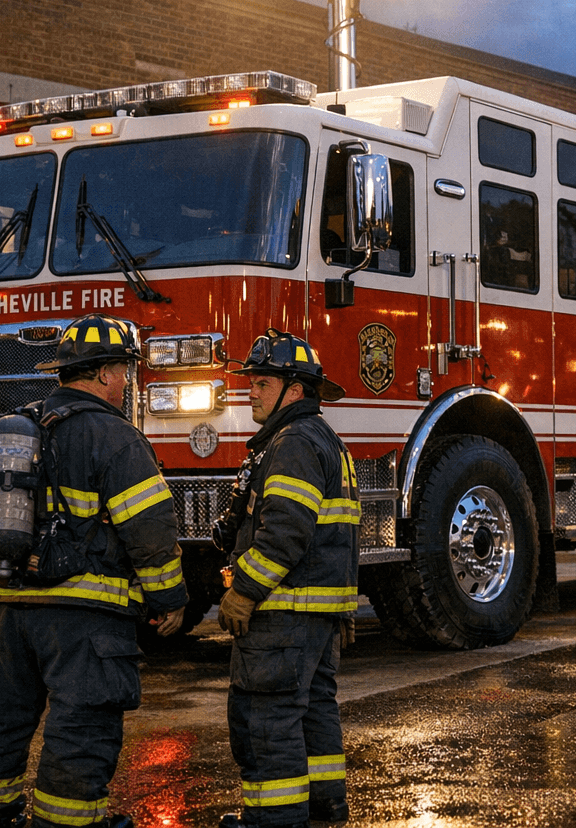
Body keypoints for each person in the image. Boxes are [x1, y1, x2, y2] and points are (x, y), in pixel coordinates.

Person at [0, 313, 188, 828]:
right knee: (80, 729)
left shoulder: (7, 432)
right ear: (102, 373)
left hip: (3, 612)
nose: (126, 383)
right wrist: (169, 601)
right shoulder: (118, 439)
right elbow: (152, 531)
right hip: (84, 618)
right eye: (124, 371)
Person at [212, 331, 360, 828]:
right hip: (314, 613)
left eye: (262, 382)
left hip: (284, 611)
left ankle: (272, 819)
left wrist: (243, 592)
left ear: (295, 390)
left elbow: (284, 536)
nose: (250, 391)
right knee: (314, 708)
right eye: (251, 381)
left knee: (266, 717)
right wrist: (339, 608)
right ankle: (325, 804)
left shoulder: (293, 442)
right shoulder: (324, 440)